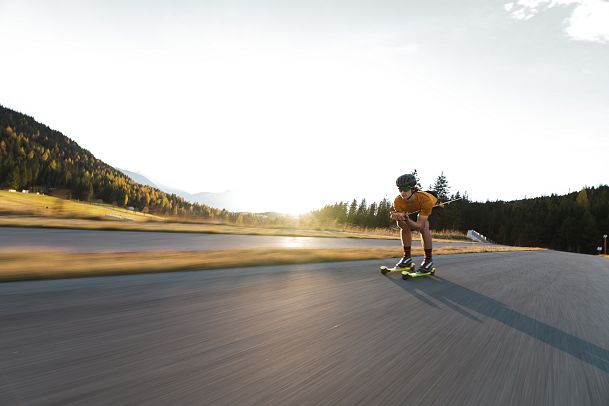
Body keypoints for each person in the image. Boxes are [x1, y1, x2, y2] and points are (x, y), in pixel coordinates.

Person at [389, 173, 438, 273]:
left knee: (425, 227)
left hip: (433, 207)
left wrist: (407, 219)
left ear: (412, 188)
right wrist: (399, 218)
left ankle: (428, 260)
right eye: (400, 189)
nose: (402, 192)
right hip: (414, 209)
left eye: (405, 189)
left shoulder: (425, 200)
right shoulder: (398, 201)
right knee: (402, 225)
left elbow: (419, 227)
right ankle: (407, 258)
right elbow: (403, 225)